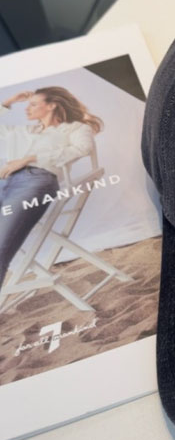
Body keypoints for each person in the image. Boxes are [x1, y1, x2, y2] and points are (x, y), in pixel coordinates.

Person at [0, 87, 103, 289]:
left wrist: (30, 158)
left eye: (33, 104)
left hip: (35, 181)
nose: (27, 109)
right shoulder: (27, 131)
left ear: (52, 105)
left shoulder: (76, 128)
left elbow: (83, 148)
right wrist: (9, 102)